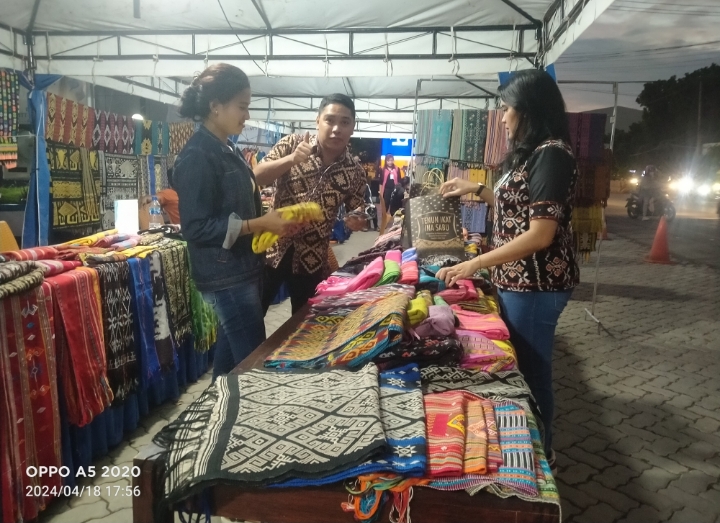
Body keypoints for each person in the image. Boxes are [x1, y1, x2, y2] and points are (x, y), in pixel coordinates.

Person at [436, 69, 580, 468]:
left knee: (533, 369)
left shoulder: (552, 154)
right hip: (519, 282)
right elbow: (517, 209)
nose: (502, 117)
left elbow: (540, 234)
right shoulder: (534, 153)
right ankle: (535, 440)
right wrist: (477, 190)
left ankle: (542, 451)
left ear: (528, 109)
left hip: (537, 284)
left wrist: (475, 263)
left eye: (506, 108)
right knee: (526, 364)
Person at [173, 63, 295, 379]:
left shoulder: (228, 148)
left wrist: (267, 222)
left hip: (242, 269)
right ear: (215, 106)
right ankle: (247, 422)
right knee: (255, 364)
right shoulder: (198, 155)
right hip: (225, 276)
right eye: (242, 107)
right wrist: (258, 224)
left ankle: (216, 414)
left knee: (229, 364)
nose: (247, 115)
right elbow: (196, 227)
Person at [254, 93, 367, 314]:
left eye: (345, 122)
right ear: (317, 121)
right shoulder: (291, 144)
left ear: (353, 127)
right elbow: (256, 176)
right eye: (330, 120)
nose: (336, 128)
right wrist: (291, 160)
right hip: (271, 250)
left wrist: (357, 219)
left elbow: (357, 209)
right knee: (252, 317)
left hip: (313, 259)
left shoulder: (355, 172)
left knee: (304, 325)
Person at [379, 154, 401, 235]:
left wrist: (399, 190)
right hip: (386, 190)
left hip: (395, 190)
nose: (390, 162)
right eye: (388, 160)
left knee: (394, 208)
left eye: (391, 160)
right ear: (386, 161)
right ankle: (384, 224)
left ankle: (394, 225)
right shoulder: (383, 169)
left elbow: (399, 180)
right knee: (385, 207)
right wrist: (380, 192)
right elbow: (381, 182)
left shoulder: (397, 169)